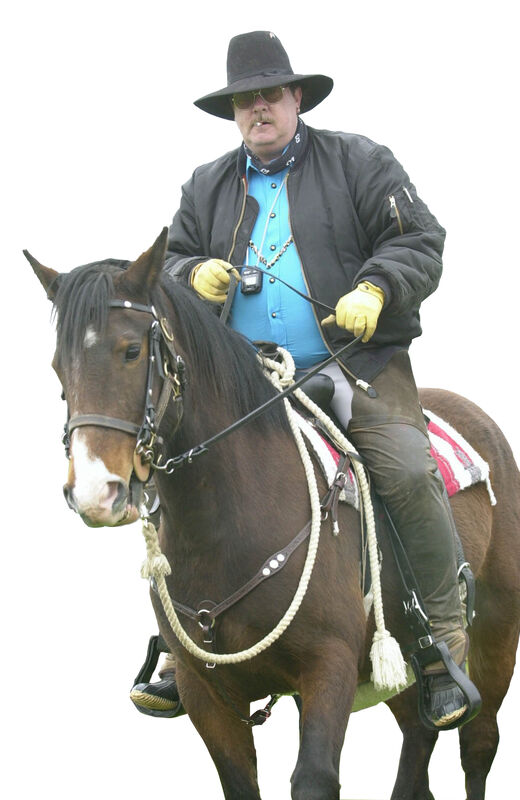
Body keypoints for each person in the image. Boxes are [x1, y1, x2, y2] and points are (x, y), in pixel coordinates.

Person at [130, 30, 479, 729]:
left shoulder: (361, 160)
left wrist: (378, 288)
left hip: (359, 367)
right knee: (168, 468)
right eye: (243, 101)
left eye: (269, 94)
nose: (257, 108)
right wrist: (189, 274)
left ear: (295, 98)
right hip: (245, 382)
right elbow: (165, 272)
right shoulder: (204, 185)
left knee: (407, 469)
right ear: (233, 113)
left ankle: (442, 649)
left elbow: (420, 239)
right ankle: (180, 645)